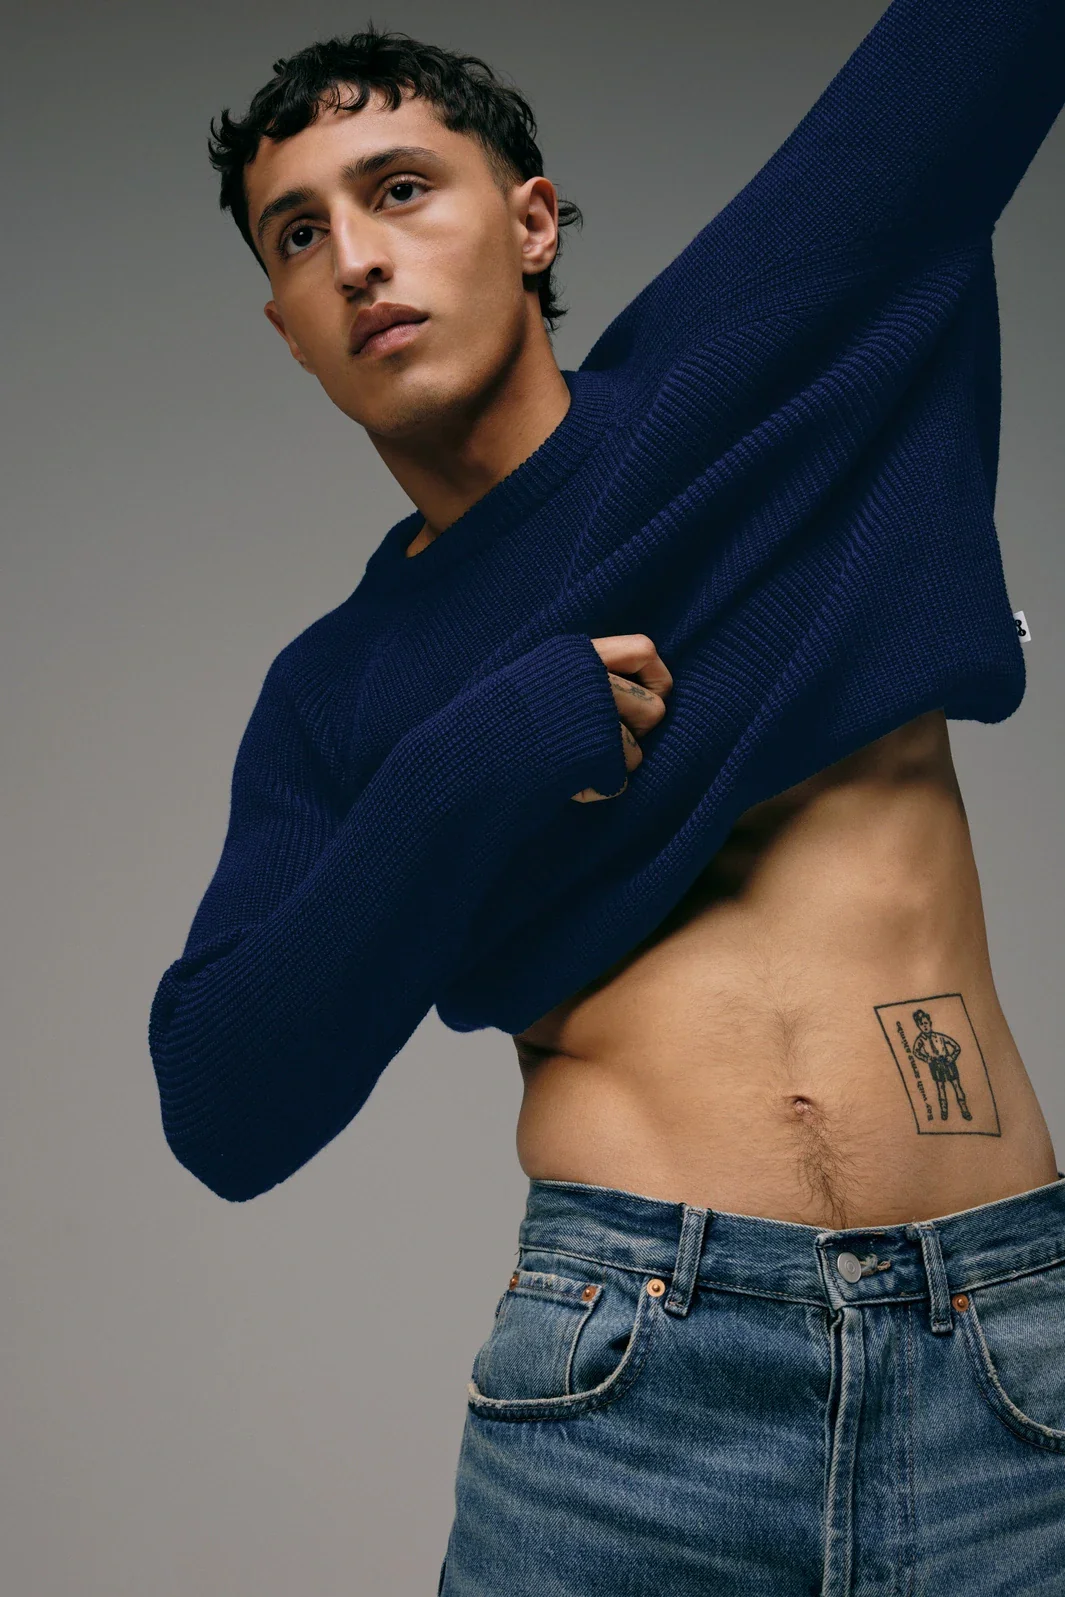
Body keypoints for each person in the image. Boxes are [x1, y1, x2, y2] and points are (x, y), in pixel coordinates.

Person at [148, 6, 1065, 1591]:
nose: (356, 257)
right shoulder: (338, 692)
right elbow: (224, 1102)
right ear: (286, 328)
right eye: (299, 235)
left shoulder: (757, 356)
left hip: (1003, 1359)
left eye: (401, 189)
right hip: (631, 1389)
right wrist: (473, 766)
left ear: (532, 221)